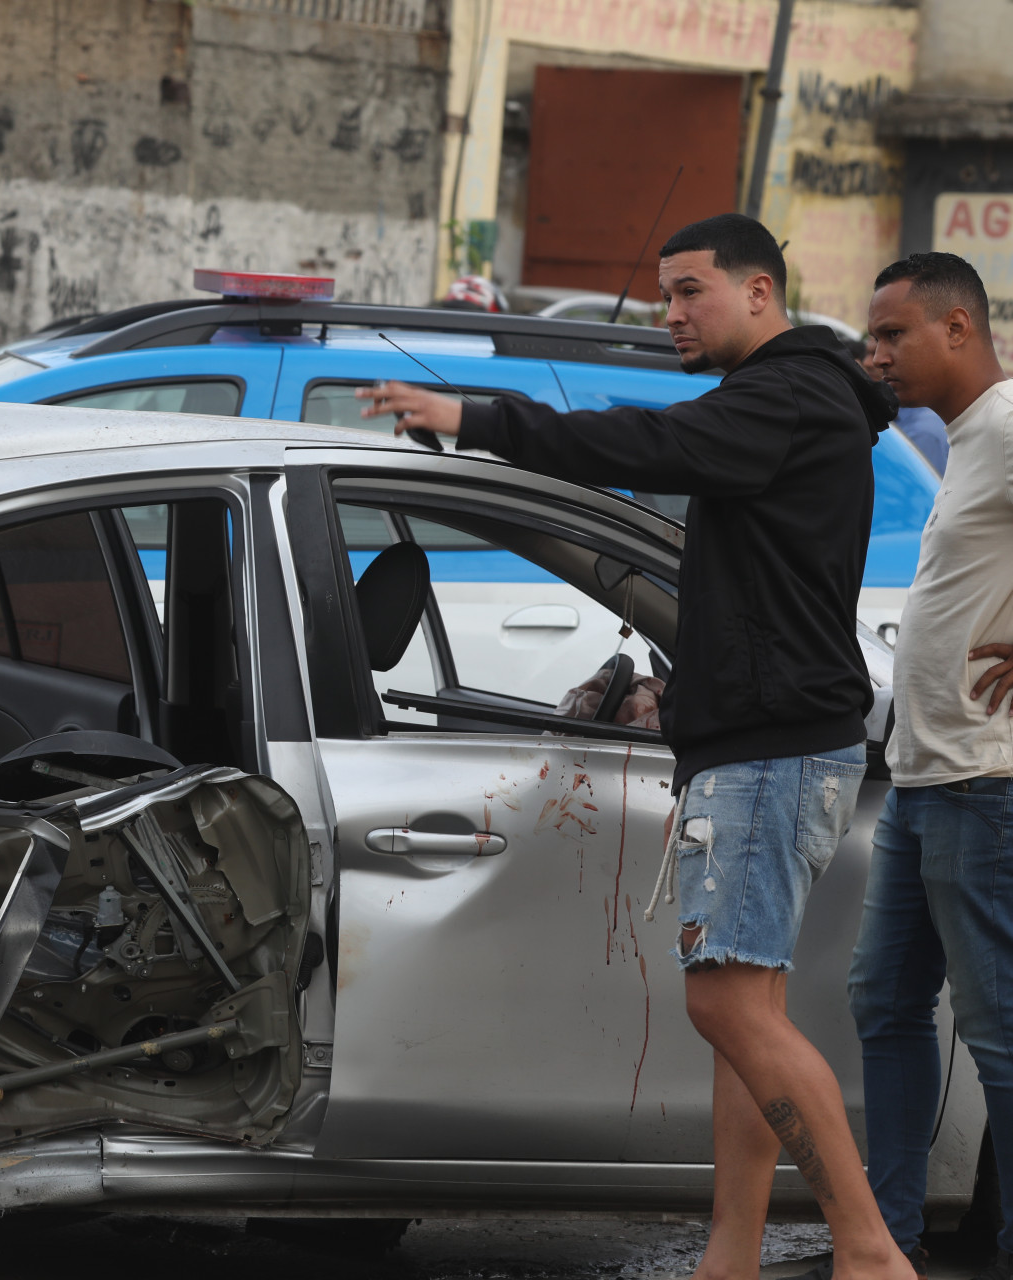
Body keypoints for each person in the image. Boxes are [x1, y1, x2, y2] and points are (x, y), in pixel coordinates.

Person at [360, 213, 908, 1280]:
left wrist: (477, 414)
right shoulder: (794, 400)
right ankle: (731, 1254)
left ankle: (869, 1246)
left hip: (770, 755)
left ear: (760, 291)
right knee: (746, 1018)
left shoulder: (786, 398)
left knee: (723, 1004)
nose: (671, 317)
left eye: (689, 291)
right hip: (769, 743)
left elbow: (648, 444)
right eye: (665, 294)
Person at [845, 252, 1013, 1280]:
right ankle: (887, 1241)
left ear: (959, 327)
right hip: (924, 776)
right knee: (885, 1002)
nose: (877, 356)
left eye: (893, 334)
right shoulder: (968, 442)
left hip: (983, 782)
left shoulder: (1009, 423)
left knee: (1000, 1034)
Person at [862, 333, 950, 474]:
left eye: (875, 354)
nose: (867, 362)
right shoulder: (892, 412)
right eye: (867, 353)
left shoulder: (923, 432)